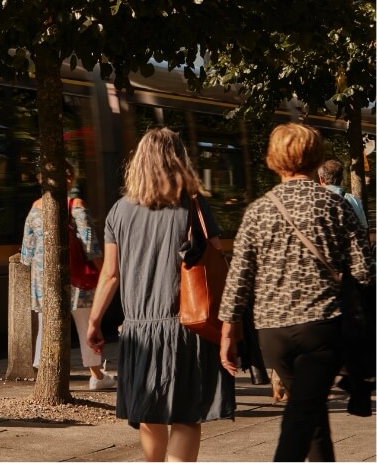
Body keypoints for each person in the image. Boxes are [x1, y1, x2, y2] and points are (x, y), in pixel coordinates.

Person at [219, 123, 374, 461]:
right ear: (317, 157)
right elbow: (364, 270)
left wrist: (228, 334)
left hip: (272, 335)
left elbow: (239, 278)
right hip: (322, 328)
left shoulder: (258, 210)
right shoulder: (336, 206)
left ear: (274, 159)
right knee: (302, 416)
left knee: (312, 415)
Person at [86, 128, 234, 462]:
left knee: (150, 414)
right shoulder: (194, 206)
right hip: (188, 325)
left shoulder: (119, 212)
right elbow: (215, 257)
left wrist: (94, 322)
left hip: (140, 330)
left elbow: (110, 274)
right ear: (179, 161)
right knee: (185, 415)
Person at [21, 162, 115, 390]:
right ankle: (97, 376)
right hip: (77, 279)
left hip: (44, 282)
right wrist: (105, 273)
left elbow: (26, 253)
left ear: (41, 179)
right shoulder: (76, 205)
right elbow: (90, 245)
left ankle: (44, 375)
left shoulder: (35, 208)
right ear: (70, 179)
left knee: (45, 326)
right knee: (86, 324)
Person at [317, 158, 367, 230]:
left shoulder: (317, 201)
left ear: (321, 179)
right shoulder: (354, 200)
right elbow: (364, 229)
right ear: (341, 179)